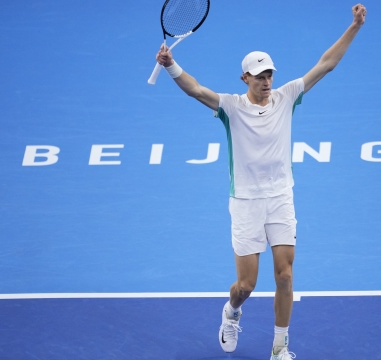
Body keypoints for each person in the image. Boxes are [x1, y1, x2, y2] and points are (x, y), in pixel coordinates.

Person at [155, 4, 366, 359]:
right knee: (246, 286)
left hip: (281, 198)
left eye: (269, 75)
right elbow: (196, 90)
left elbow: (326, 63)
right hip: (246, 203)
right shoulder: (231, 107)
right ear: (245, 79)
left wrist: (355, 26)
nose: (267, 82)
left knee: (285, 276)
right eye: (259, 76)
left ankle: (280, 347)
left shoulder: (286, 97)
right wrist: (171, 65)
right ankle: (231, 312)